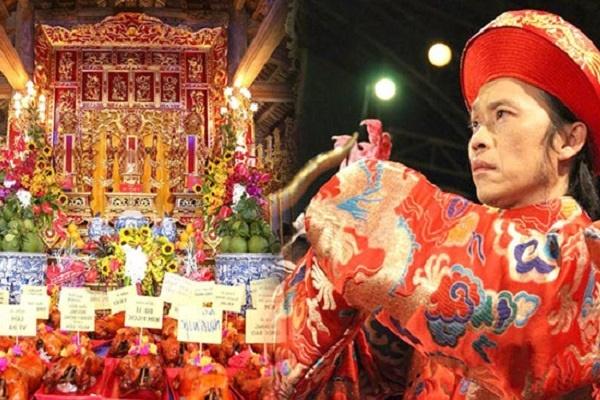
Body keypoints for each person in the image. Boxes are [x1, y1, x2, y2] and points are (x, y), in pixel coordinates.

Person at [273, 9, 600, 400]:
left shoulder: (586, 261)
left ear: (568, 139)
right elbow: (339, 378)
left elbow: (520, 308)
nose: (477, 140)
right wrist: (341, 281)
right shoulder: (438, 287)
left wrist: (364, 198)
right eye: (475, 124)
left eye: (502, 114)